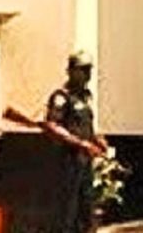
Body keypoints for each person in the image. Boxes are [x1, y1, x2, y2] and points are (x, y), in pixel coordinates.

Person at [42, 51, 108, 233]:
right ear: (71, 71)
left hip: (85, 161)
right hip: (67, 161)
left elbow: (86, 126)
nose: (87, 74)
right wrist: (80, 144)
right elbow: (52, 126)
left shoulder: (85, 97)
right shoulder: (62, 97)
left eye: (89, 70)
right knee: (67, 211)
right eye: (83, 70)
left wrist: (97, 139)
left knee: (86, 209)